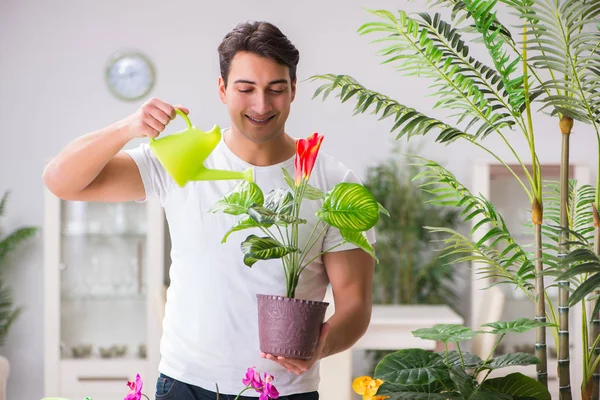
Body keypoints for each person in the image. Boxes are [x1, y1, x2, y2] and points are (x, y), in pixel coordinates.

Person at [43, 21, 375, 400]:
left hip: (283, 392)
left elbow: (355, 305)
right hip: (185, 384)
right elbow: (61, 180)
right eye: (245, 89)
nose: (261, 105)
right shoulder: (187, 156)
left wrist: (322, 345)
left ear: (294, 90)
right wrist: (128, 127)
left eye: (276, 90)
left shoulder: (332, 181)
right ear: (222, 90)